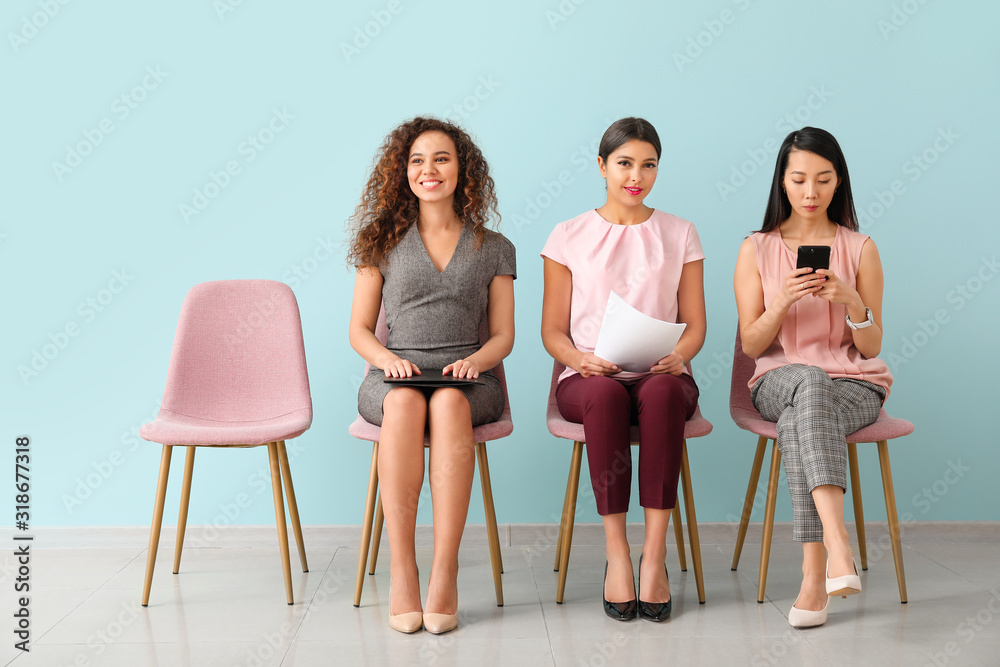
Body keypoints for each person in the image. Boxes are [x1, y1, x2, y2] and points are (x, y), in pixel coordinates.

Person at [347, 117, 515, 635]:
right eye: (417, 160)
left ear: (463, 169)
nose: (429, 170)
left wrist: (477, 362)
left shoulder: (495, 247)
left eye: (441, 158)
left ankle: (445, 569)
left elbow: (504, 336)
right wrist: (385, 360)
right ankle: (403, 569)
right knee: (403, 403)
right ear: (403, 172)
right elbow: (358, 330)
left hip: (470, 377)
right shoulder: (378, 243)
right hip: (394, 373)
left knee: (446, 403)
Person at [540, 117, 706, 622]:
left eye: (648, 165)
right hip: (588, 379)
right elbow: (552, 331)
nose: (637, 175)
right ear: (602, 166)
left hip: (663, 373)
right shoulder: (568, 235)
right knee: (607, 396)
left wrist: (682, 354)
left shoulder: (680, 233)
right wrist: (578, 359)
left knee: (659, 394)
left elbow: (695, 324)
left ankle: (653, 557)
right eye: (625, 163)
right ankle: (617, 555)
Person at [733, 126, 892, 628]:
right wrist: (783, 299)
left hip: (856, 384)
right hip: (777, 381)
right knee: (808, 382)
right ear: (781, 181)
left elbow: (871, 347)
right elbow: (754, 345)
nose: (809, 192)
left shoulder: (861, 248)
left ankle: (813, 571)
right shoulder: (755, 249)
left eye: (823, 180)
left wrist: (854, 304)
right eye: (799, 179)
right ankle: (837, 544)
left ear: (838, 183)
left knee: (809, 409)